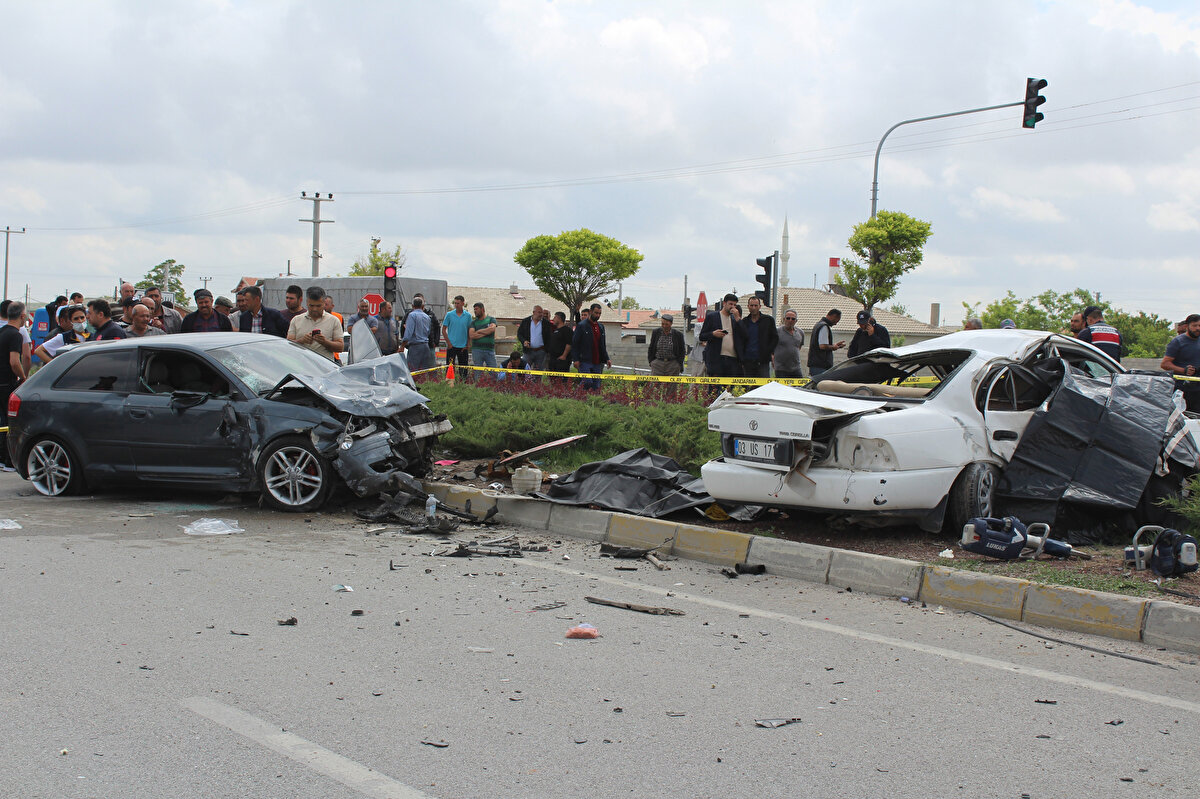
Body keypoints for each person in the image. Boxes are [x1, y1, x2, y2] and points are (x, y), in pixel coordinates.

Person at [0, 302, 28, 470]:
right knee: (10, 422)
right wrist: (23, 377)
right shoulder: (16, 335)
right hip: (7, 383)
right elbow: (14, 361)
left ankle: (1, 457)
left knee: (2, 421)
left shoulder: (2, 332)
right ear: (22, 316)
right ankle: (9, 460)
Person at [287, 286, 344, 361]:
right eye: (311, 305)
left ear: (324, 303)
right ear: (307, 302)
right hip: (301, 365)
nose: (315, 309)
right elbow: (288, 345)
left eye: (318, 306)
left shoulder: (333, 320)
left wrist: (324, 342)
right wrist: (301, 341)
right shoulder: (296, 320)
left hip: (324, 365)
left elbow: (340, 347)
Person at [699, 293, 745, 378]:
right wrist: (713, 334)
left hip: (732, 359)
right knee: (716, 384)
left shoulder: (735, 319)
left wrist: (738, 319)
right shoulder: (712, 317)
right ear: (724, 303)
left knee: (729, 385)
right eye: (730, 304)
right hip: (716, 359)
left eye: (734, 305)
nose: (732, 307)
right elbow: (702, 336)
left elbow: (744, 334)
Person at [1163, 313, 1200, 412]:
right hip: (1182, 390)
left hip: (1198, 389)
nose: (1197, 328)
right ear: (1187, 326)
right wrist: (1184, 370)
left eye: (1199, 325)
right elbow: (1165, 364)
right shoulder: (1178, 341)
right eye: (1194, 326)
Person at [572, 302, 611, 390]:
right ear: (590, 311)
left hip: (597, 361)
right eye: (596, 313)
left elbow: (602, 345)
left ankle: (592, 398)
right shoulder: (582, 326)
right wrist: (576, 359)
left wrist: (607, 358)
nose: (598, 315)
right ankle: (576, 395)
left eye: (599, 313)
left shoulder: (601, 327)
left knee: (596, 385)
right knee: (587, 381)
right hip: (584, 360)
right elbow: (575, 344)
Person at [739, 297, 779, 378]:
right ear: (748, 306)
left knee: (764, 384)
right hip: (748, 361)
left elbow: (775, 338)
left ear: (760, 306)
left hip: (763, 362)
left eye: (755, 305)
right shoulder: (744, 322)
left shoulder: (768, 320)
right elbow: (740, 340)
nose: (753, 308)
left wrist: (768, 352)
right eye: (751, 305)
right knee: (748, 384)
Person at [807, 308, 845, 378]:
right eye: (836, 321)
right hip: (820, 365)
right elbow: (823, 346)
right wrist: (833, 347)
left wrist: (835, 345)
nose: (836, 323)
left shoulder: (818, 325)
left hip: (816, 364)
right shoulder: (824, 327)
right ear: (833, 316)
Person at [400, 296, 434, 371]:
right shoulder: (427, 317)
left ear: (412, 306)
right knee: (424, 371)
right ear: (422, 306)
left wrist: (402, 346)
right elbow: (428, 332)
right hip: (426, 346)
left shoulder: (412, 315)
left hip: (415, 347)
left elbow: (408, 334)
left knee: (413, 370)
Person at [517, 305, 553, 372]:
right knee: (525, 370)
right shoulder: (525, 321)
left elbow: (549, 337)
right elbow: (519, 334)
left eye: (541, 312)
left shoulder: (546, 323)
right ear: (534, 312)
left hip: (541, 351)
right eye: (539, 312)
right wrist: (524, 341)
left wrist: (546, 349)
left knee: (538, 372)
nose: (541, 314)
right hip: (528, 351)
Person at [773, 310, 806, 379]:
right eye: (788, 318)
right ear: (784, 319)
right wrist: (773, 359)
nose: (790, 320)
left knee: (800, 385)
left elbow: (799, 346)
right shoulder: (777, 332)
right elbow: (771, 348)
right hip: (781, 369)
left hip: (796, 368)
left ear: (796, 321)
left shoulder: (800, 332)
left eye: (793, 319)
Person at [442, 295, 472, 367]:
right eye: (455, 303)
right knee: (450, 368)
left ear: (463, 304)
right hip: (452, 346)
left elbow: (469, 330)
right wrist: (449, 343)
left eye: (458, 303)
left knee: (463, 368)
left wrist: (468, 343)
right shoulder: (449, 315)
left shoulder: (468, 316)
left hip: (463, 346)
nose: (456, 305)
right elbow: (443, 330)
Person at [468, 302, 498, 372]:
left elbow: (492, 329)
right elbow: (472, 335)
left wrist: (479, 331)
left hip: (489, 350)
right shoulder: (473, 323)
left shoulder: (491, 319)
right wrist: (486, 332)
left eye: (477, 309)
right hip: (477, 350)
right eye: (474, 309)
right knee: (478, 372)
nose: (475, 311)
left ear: (482, 309)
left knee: (493, 372)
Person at [547, 311, 573, 379]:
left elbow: (569, 344)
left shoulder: (567, 330)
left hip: (562, 360)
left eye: (555, 317)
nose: (553, 319)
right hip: (553, 359)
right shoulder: (555, 330)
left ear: (559, 318)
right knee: (553, 379)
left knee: (561, 380)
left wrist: (564, 355)